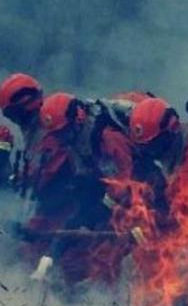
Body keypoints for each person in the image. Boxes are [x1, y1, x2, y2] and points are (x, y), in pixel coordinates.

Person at [24, 93, 135, 284]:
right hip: (109, 190)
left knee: (112, 247)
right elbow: (88, 178)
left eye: (62, 132)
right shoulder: (74, 141)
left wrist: (103, 209)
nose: (60, 138)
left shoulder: (106, 137)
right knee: (79, 227)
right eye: (57, 134)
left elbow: (127, 179)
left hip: (138, 192)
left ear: (77, 121)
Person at [0, 73, 44, 194]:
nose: (12, 119)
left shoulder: (44, 128)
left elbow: (42, 169)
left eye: (11, 113)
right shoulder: (33, 127)